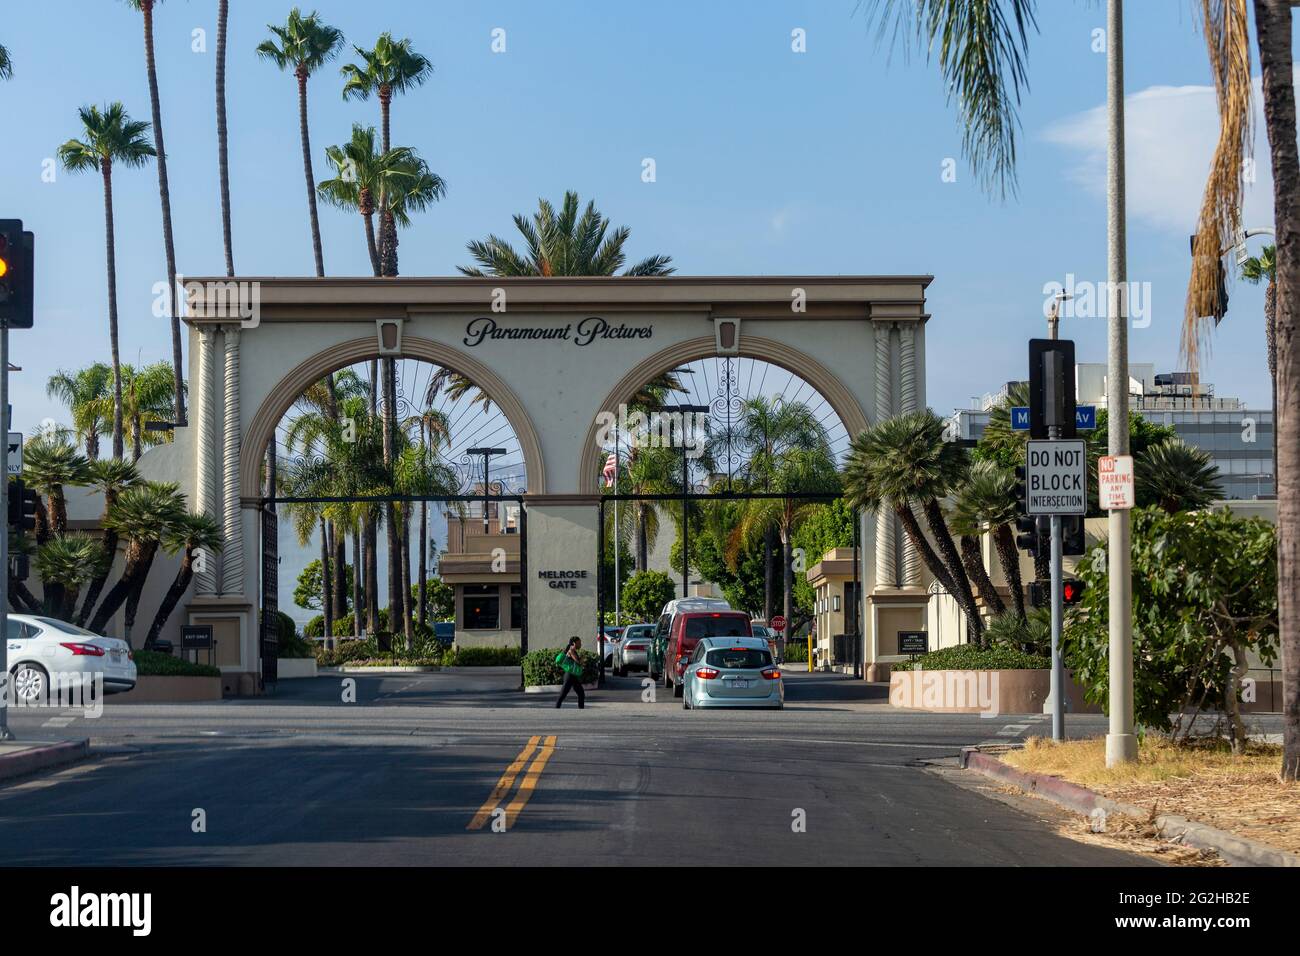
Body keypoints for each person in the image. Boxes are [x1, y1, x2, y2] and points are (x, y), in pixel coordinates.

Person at [555, 636, 586, 709]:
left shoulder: (573, 651)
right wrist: (582, 659)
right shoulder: (571, 650)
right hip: (569, 676)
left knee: (581, 694)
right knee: (562, 695)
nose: (580, 644)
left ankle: (581, 711)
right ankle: (556, 710)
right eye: (579, 643)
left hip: (573, 675)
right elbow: (578, 662)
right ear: (574, 643)